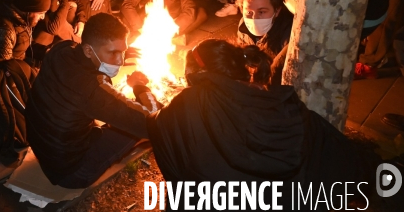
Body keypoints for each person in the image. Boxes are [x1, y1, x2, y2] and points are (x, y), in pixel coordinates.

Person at [146, 39, 381, 211]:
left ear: (193, 73)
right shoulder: (279, 101)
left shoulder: (185, 105)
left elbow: (166, 144)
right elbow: (329, 148)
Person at [26, 13, 159, 188]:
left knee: (110, 119)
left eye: (123, 51)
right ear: (89, 50)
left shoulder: (62, 49)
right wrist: (140, 86)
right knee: (136, 127)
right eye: (113, 53)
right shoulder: (92, 88)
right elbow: (155, 122)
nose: (120, 61)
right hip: (70, 173)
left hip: (44, 150)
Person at [235, 0, 293, 85]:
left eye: (261, 12)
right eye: (248, 12)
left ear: (277, 11)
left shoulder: (288, 33)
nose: (254, 18)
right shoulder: (243, 26)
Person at [25, 0, 80, 65]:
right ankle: (79, 45)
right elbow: (54, 27)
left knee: (72, 8)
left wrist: (81, 20)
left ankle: (77, 46)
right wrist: (64, 0)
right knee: (59, 24)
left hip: (51, 32)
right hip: (34, 38)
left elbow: (79, 0)